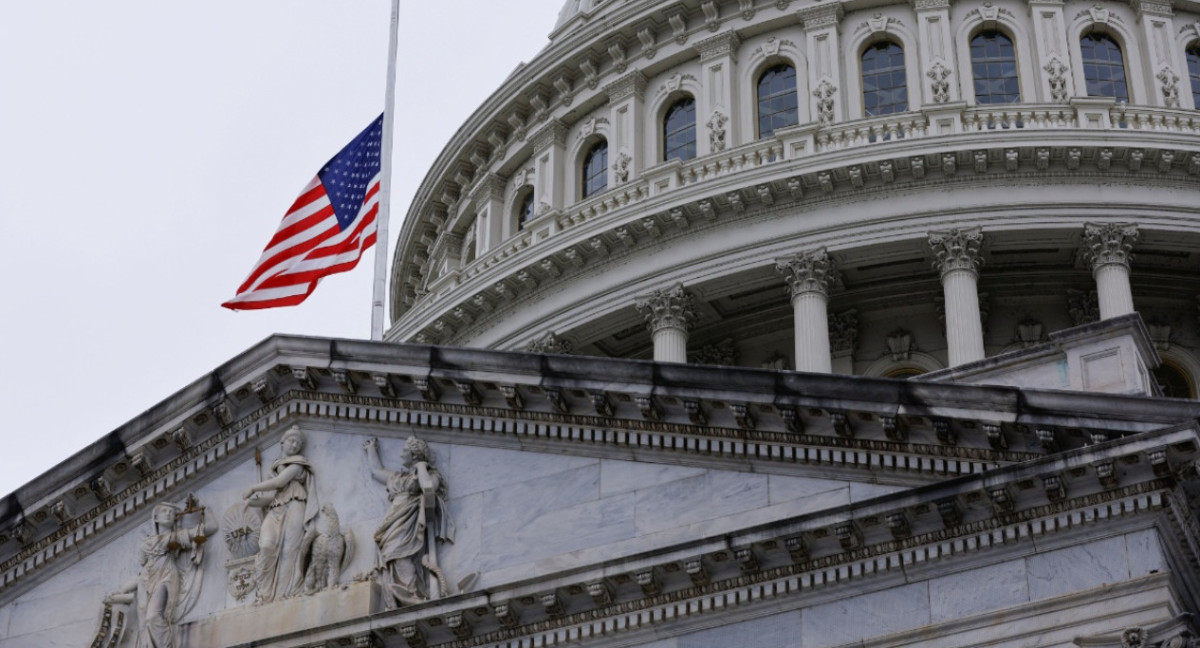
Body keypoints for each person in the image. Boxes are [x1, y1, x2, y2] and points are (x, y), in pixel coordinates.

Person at [103, 497, 215, 648]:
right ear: (155, 517)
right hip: (147, 581)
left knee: (153, 617)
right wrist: (123, 589)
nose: (168, 514)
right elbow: (142, 571)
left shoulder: (175, 536)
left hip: (166, 577)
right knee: (145, 624)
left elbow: (212, 527)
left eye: (171, 512)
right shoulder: (146, 544)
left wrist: (205, 509)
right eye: (164, 511)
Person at [363, 436, 454, 608]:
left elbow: (428, 488)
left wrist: (421, 466)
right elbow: (376, 471)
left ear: (414, 454)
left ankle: (411, 593)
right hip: (392, 523)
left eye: (405, 451)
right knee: (391, 556)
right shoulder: (397, 477)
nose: (401, 455)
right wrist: (371, 449)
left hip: (408, 524)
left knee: (400, 556)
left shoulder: (429, 475)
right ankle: (398, 594)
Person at [242, 426, 318, 603]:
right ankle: (264, 594)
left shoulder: (298, 465)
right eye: (291, 441)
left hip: (295, 507)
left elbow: (279, 482)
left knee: (289, 551)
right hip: (276, 509)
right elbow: (269, 497)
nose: (294, 445)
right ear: (282, 443)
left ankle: (283, 595)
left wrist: (254, 488)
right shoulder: (274, 469)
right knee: (267, 546)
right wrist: (251, 502)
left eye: (298, 443)